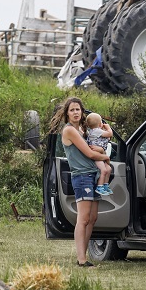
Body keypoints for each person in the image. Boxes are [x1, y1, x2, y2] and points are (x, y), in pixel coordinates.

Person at [50, 97, 110, 267]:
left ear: (82, 112)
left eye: (78, 109)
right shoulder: (69, 130)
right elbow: (90, 154)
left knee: (92, 218)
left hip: (94, 175)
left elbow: (99, 143)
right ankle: (81, 259)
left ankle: (83, 255)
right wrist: (105, 157)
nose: (75, 112)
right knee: (83, 219)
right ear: (67, 114)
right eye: (72, 110)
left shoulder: (84, 130)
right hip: (82, 176)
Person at [85, 112, 113, 196]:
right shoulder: (96, 131)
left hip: (100, 154)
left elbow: (108, 138)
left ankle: (105, 185)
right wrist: (108, 128)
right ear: (100, 124)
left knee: (109, 169)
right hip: (96, 156)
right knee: (103, 170)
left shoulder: (97, 132)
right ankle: (99, 187)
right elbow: (110, 134)